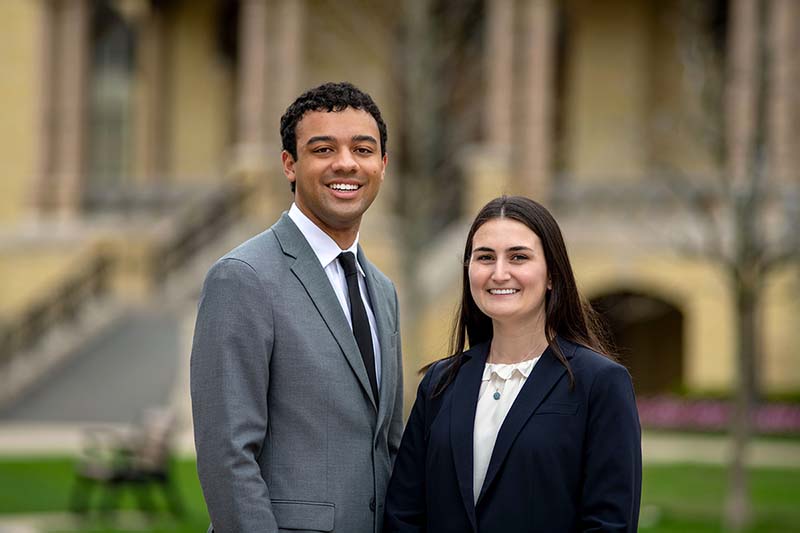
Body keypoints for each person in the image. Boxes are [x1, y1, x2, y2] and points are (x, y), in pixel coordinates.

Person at [191, 82, 403, 533]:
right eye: (323, 148)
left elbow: (387, 444)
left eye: (363, 149)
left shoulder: (382, 291)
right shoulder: (243, 278)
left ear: (382, 165)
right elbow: (227, 455)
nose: (346, 163)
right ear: (290, 164)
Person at [384, 196, 641, 532]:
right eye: (485, 257)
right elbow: (403, 515)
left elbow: (609, 523)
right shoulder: (439, 383)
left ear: (552, 275)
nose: (499, 273)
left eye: (518, 257)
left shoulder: (600, 384)